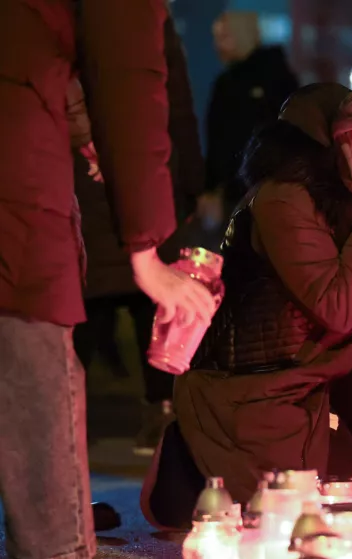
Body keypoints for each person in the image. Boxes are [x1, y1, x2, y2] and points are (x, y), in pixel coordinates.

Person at [142, 69, 352, 527]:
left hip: (337, 367)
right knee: (287, 513)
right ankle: (187, 460)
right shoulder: (287, 195)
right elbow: (336, 308)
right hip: (269, 383)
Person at [0, 0, 216, 557]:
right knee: (35, 353)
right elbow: (129, 82)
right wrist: (147, 253)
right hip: (14, 164)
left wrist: (80, 126)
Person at [70, 8, 206, 456]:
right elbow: (172, 110)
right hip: (135, 195)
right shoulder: (141, 22)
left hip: (81, 197)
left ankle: (68, 431)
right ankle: (161, 413)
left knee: (82, 321)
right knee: (154, 311)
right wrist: (187, 190)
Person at [204, 10, 300, 216]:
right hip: (246, 191)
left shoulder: (271, 79)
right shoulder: (228, 82)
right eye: (217, 38)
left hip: (263, 188)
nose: (217, 45)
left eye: (225, 36)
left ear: (242, 35)